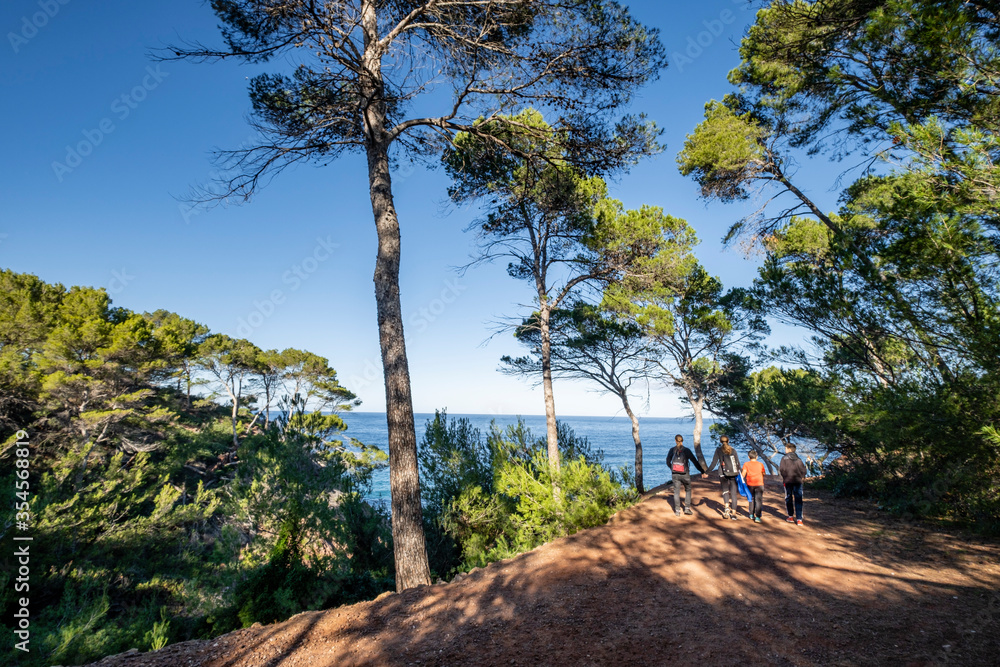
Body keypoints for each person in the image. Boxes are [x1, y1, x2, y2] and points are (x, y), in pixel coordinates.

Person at [666, 434, 707, 516]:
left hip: (675, 474)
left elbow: (667, 461)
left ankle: (677, 511)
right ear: (682, 440)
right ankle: (687, 509)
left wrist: (672, 468)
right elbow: (695, 461)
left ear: (675, 441)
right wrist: (702, 471)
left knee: (676, 492)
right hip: (685, 474)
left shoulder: (672, 450)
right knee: (688, 490)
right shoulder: (686, 450)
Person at [708, 436, 742, 520]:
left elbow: (714, 462)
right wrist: (741, 473)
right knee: (733, 493)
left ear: (720, 441)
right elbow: (737, 463)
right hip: (733, 473)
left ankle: (726, 508)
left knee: (725, 491)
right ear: (728, 441)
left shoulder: (718, 450)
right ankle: (733, 513)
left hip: (722, 473)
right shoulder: (733, 450)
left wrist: (707, 472)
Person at [779, 441, 808, 525]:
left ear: (788, 449)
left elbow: (782, 470)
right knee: (798, 499)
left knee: (788, 497)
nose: (785, 450)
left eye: (785, 448)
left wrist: (785, 477)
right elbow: (803, 471)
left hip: (787, 481)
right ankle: (799, 519)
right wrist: (801, 477)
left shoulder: (784, 459)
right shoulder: (798, 460)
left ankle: (790, 516)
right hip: (798, 481)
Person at [741, 450, 766, 523]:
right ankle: (758, 516)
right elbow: (763, 473)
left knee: (751, 498)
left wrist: (740, 480)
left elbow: (743, 474)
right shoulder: (760, 464)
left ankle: (751, 514)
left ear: (749, 457)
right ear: (757, 457)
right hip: (759, 484)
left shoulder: (746, 464)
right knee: (758, 500)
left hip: (750, 484)